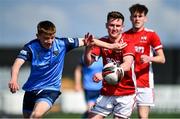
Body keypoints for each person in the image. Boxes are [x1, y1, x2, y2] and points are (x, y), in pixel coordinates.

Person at [8, 20, 123, 118]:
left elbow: (89, 40)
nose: (50, 41)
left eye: (52, 37)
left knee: (36, 115)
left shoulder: (62, 43)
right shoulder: (30, 48)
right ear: (38, 36)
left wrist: (112, 46)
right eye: (46, 38)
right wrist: (13, 79)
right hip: (31, 89)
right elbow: (17, 64)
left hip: (50, 89)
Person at [84, 11, 136, 119]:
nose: (114, 28)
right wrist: (88, 48)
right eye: (112, 25)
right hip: (107, 92)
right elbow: (88, 62)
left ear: (122, 27)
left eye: (118, 26)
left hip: (125, 93)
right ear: (106, 25)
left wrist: (103, 74)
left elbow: (126, 65)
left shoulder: (127, 42)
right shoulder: (102, 42)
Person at [125, 3, 166, 119]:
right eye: (135, 16)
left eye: (140, 16)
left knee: (143, 117)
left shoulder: (151, 35)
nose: (137, 19)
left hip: (145, 83)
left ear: (145, 18)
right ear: (130, 18)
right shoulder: (124, 35)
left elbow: (162, 58)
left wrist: (150, 58)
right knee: (122, 116)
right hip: (126, 83)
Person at [74, 53, 103, 118]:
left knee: (100, 111)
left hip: (102, 88)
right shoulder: (86, 56)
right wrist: (77, 84)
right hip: (89, 88)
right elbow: (78, 70)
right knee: (91, 109)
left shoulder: (104, 56)